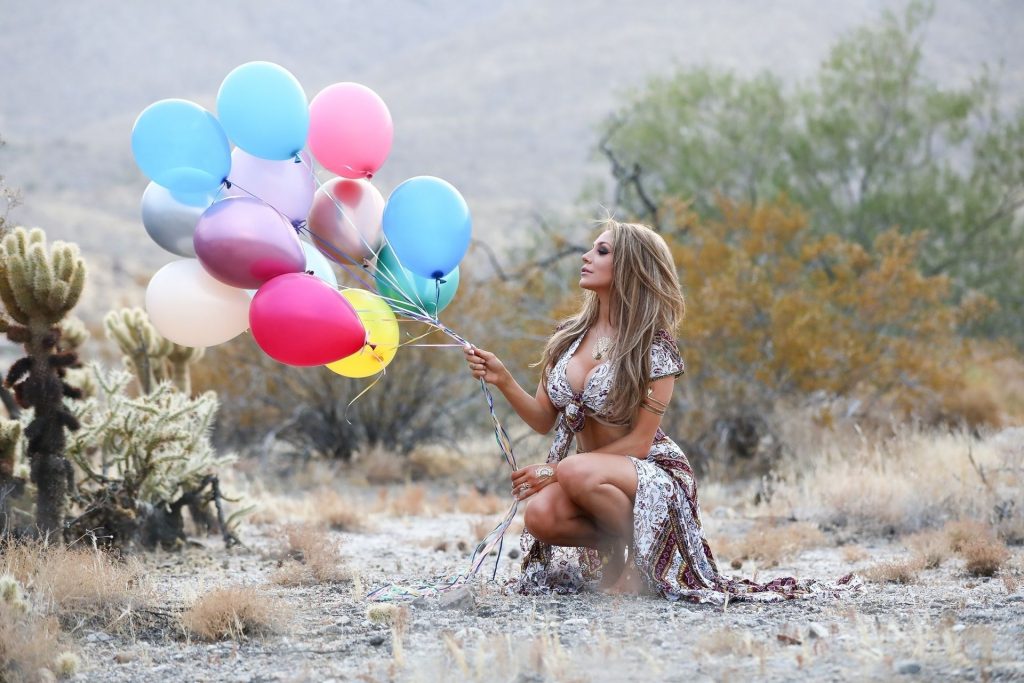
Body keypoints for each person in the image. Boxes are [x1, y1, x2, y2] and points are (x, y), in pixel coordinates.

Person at [463, 220, 855, 603]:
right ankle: (613, 547)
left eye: (602, 251)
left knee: (574, 470)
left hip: (649, 473)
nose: (586, 256)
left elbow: (640, 442)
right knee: (540, 517)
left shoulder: (653, 347)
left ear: (630, 267)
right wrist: (503, 379)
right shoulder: (568, 338)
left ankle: (643, 561)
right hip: (589, 474)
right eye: (592, 249)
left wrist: (556, 470)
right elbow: (543, 419)